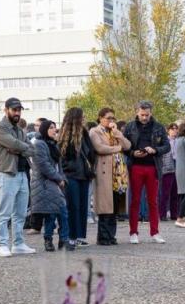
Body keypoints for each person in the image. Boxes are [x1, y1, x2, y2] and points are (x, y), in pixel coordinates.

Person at [0, 97, 36, 257]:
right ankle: (2, 244)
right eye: (14, 109)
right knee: (4, 212)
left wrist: (18, 148)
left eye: (19, 110)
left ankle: (18, 243)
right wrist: (18, 147)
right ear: (6, 110)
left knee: (20, 212)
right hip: (7, 173)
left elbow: (31, 149)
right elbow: (17, 144)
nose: (17, 112)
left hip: (22, 173)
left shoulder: (19, 129)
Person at [123, 101, 170, 244]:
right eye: (142, 114)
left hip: (153, 167)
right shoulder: (130, 127)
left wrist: (155, 150)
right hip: (136, 166)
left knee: (153, 201)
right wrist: (133, 153)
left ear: (151, 113)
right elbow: (123, 146)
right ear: (137, 112)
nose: (144, 117)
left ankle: (155, 232)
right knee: (135, 200)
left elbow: (167, 146)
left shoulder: (159, 127)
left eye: (147, 115)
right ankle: (133, 232)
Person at [89, 108, 131, 245]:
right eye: (108, 118)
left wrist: (118, 133)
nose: (111, 121)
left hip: (118, 175)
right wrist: (117, 149)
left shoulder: (115, 132)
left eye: (113, 118)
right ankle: (103, 237)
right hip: (104, 173)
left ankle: (111, 236)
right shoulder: (95, 131)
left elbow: (128, 145)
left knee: (114, 207)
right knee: (105, 207)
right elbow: (100, 148)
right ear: (100, 118)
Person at [31, 120, 74, 252]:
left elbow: (58, 166)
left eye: (55, 128)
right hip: (44, 183)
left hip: (55, 182)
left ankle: (63, 240)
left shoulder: (53, 145)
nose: (54, 130)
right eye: (51, 128)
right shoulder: (39, 144)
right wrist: (58, 178)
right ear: (44, 129)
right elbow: (44, 165)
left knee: (62, 212)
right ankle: (48, 240)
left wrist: (63, 179)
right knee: (52, 213)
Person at [58, 107, 96, 247]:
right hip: (71, 175)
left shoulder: (84, 133)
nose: (84, 119)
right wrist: (67, 170)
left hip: (84, 175)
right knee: (72, 205)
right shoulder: (64, 136)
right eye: (82, 116)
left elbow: (90, 152)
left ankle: (79, 235)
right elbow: (61, 157)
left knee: (82, 205)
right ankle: (71, 235)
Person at [159, 123, 179, 221]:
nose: (174, 130)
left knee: (175, 193)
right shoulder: (165, 141)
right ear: (168, 130)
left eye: (176, 129)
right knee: (165, 192)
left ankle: (174, 214)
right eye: (172, 128)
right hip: (167, 169)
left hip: (177, 168)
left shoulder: (178, 141)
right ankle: (162, 213)